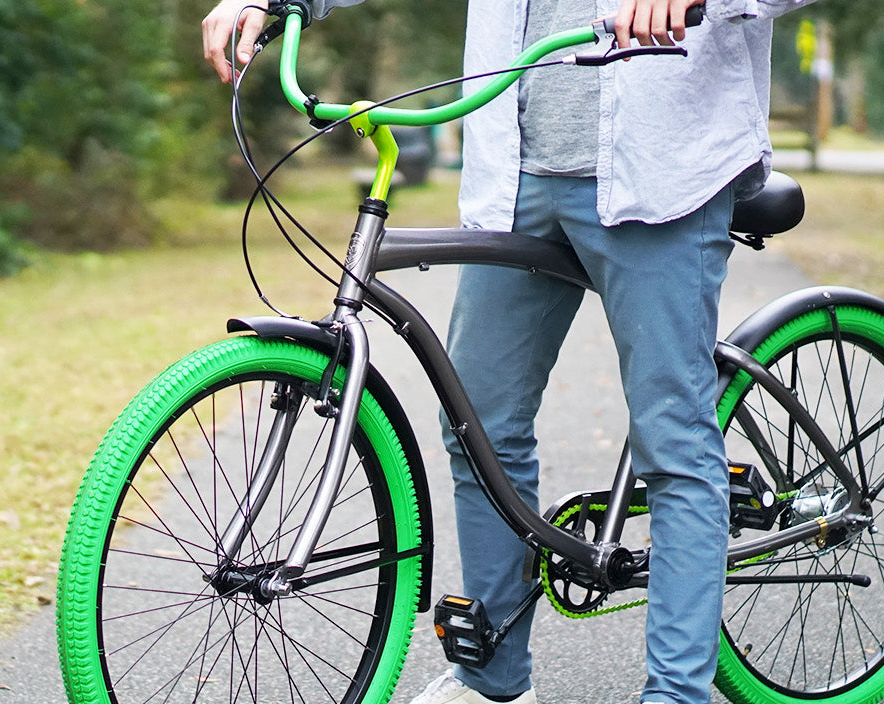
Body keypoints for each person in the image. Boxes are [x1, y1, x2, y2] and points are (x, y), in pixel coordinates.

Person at [202, 1, 820, 703]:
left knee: (673, 439)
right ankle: (493, 684)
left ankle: (677, 694)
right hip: (517, 175)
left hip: (662, 171)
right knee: (479, 425)